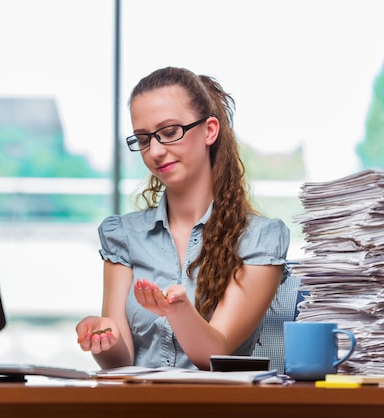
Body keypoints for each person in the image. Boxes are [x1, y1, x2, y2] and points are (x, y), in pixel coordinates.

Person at [76, 66, 290, 371]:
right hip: (136, 407)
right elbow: (120, 361)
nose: (156, 151)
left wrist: (176, 311)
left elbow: (216, 352)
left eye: (170, 132)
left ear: (209, 131)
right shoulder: (123, 234)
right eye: (144, 138)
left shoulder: (258, 239)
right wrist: (102, 339)